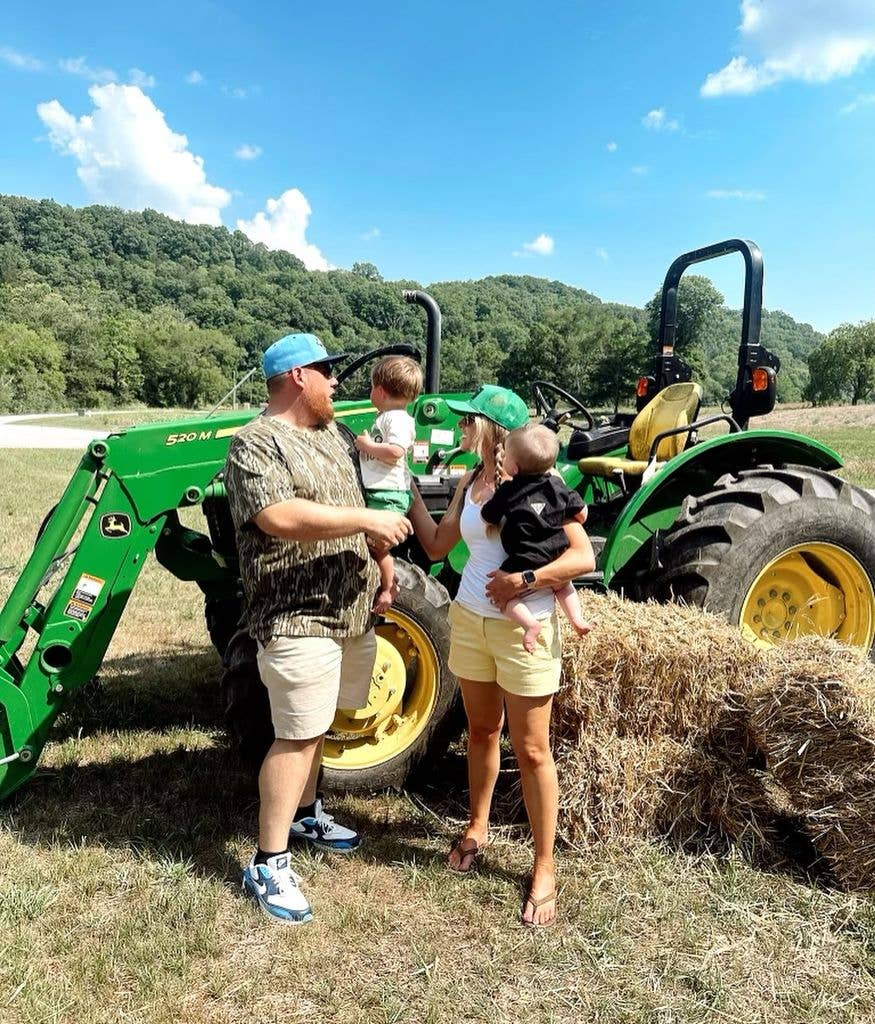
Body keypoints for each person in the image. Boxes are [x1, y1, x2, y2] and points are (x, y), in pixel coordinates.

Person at [224, 332, 412, 925]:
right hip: (297, 612)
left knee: (323, 720)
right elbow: (276, 517)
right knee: (297, 734)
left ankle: (307, 812)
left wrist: (382, 562)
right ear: (299, 376)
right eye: (328, 372)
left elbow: (352, 501)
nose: (337, 383)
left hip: (350, 608)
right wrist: (366, 518)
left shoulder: (330, 434)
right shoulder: (254, 443)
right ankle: (268, 860)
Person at [407, 384, 594, 927]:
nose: (462, 428)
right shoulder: (470, 479)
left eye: (470, 421)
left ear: (492, 430)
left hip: (524, 627)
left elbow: (581, 556)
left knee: (534, 750)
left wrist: (524, 579)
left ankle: (544, 865)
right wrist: (406, 492)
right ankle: (477, 826)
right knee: (483, 732)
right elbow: (440, 547)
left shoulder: (543, 484)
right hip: (469, 620)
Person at [481, 423, 593, 653]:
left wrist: (486, 501)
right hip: (555, 556)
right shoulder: (557, 485)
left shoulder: (508, 491)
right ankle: (577, 619)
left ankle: (530, 625)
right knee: (564, 586)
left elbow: (488, 517)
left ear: (513, 466)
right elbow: (581, 513)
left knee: (502, 597)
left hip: (521, 560)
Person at [354, 355, 423, 613]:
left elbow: (395, 451)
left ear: (380, 391)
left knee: (378, 548)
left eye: (371, 387)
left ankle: (388, 589)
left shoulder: (397, 419)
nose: (370, 392)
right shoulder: (386, 417)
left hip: (388, 495)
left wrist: (366, 445)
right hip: (381, 492)